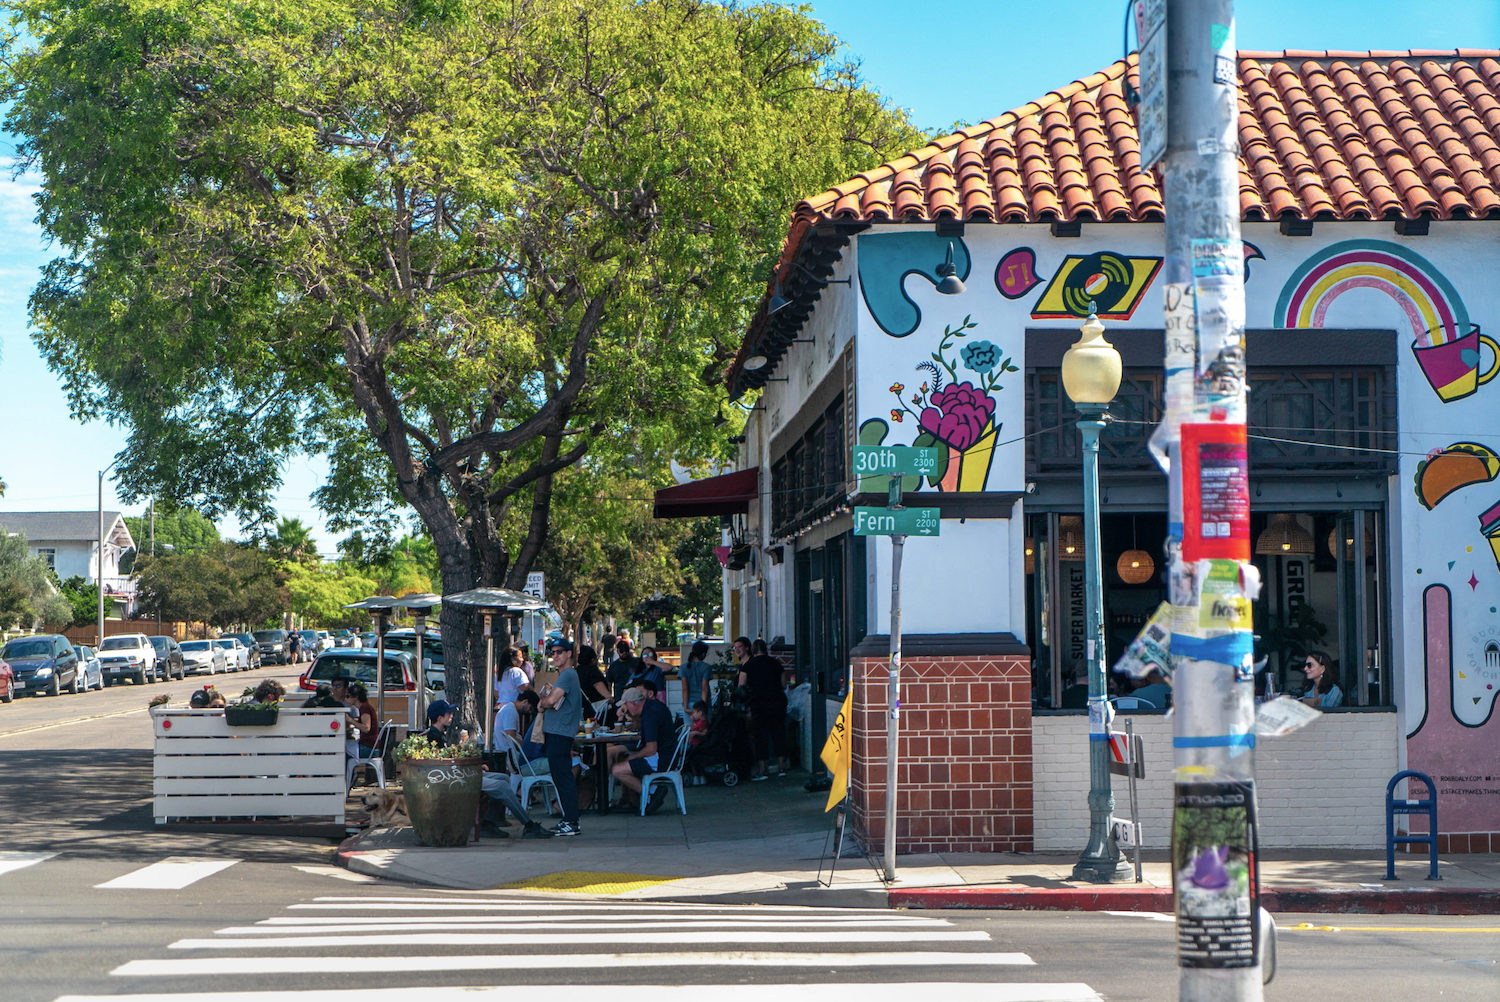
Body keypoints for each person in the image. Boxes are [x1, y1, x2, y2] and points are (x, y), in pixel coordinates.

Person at [537, 638, 584, 836]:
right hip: (559, 732)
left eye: (559, 652)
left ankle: (571, 821)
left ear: (569, 654)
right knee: (560, 776)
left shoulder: (567, 674)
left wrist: (543, 703)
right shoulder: (566, 675)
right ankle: (569, 819)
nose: (555, 655)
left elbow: (552, 699)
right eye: (552, 652)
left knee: (563, 777)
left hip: (560, 733)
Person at [609, 686, 678, 814]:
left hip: (661, 759)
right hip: (668, 754)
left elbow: (651, 749)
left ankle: (652, 792)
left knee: (617, 770)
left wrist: (633, 757)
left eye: (626, 704)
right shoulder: (653, 707)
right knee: (623, 759)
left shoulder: (650, 715)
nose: (626, 708)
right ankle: (636, 799)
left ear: (633, 703)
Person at [735, 635, 789, 780]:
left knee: (760, 736)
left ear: (752, 650)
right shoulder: (776, 663)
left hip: (758, 704)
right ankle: (782, 767)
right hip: (777, 702)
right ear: (766, 649)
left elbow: (741, 687)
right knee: (779, 734)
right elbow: (783, 684)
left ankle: (763, 769)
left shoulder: (749, 665)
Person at [680, 640, 713, 709]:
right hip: (702, 703)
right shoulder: (706, 667)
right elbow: (704, 688)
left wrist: (685, 707)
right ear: (703, 654)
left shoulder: (683, 667)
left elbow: (685, 688)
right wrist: (703, 706)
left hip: (689, 703)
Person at [684, 700, 709, 786]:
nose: (692, 715)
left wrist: (696, 733)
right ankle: (697, 776)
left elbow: (705, 733)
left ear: (700, 713)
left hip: (697, 745)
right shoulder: (697, 722)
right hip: (693, 744)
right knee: (692, 760)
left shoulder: (704, 723)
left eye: (694, 713)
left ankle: (698, 776)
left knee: (693, 759)